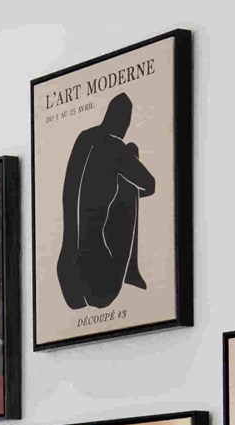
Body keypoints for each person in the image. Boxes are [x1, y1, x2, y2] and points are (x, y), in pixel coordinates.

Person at [56, 92, 156, 311]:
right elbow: (150, 185)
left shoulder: (83, 137)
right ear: (125, 122)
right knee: (128, 188)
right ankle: (130, 272)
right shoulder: (115, 147)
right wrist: (131, 156)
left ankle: (128, 271)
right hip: (97, 277)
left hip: (65, 272)